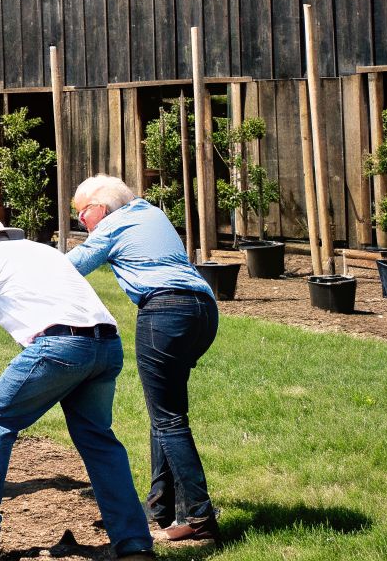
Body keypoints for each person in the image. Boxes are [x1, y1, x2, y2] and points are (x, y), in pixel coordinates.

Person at [0, 216, 156, 560]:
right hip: (107, 346)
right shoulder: (43, 252)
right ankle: (134, 544)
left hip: (59, 347)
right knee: (98, 441)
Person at [67, 174, 221, 547]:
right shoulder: (151, 213)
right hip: (203, 309)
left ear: (100, 208)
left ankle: (200, 517)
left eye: (81, 215)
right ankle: (159, 510)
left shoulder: (112, 225)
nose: (81, 223)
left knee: (168, 419)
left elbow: (69, 267)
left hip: (164, 311)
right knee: (164, 413)